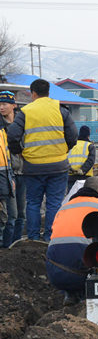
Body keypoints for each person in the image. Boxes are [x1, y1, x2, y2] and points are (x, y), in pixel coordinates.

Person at [7, 78, 78, 242]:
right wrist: (64, 149)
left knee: (33, 203)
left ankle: (33, 239)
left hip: (33, 166)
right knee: (54, 204)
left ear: (33, 94)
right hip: (58, 166)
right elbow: (73, 135)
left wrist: (19, 152)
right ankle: (50, 237)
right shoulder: (60, 110)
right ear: (48, 93)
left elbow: (13, 135)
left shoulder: (26, 111)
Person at [46, 177, 98, 304]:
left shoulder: (63, 208)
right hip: (83, 275)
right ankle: (86, 298)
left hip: (54, 273)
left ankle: (71, 294)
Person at [0, 92, 24, 244]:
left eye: (4, 104)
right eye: (0, 104)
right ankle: (7, 244)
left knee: (22, 212)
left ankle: (17, 242)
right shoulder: (1, 126)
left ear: (14, 106)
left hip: (23, 172)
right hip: (8, 173)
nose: (1, 107)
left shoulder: (22, 123)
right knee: (11, 213)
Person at [0, 102, 16, 248]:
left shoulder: (4, 131)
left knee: (11, 216)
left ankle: (7, 247)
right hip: (4, 177)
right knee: (4, 216)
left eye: (4, 104)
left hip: (8, 176)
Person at [67, 125, 96, 190]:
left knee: (72, 197)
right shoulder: (90, 146)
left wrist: (70, 169)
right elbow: (90, 161)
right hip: (85, 177)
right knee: (83, 197)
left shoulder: (72, 144)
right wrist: (82, 170)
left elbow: (66, 157)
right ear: (88, 135)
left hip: (71, 176)